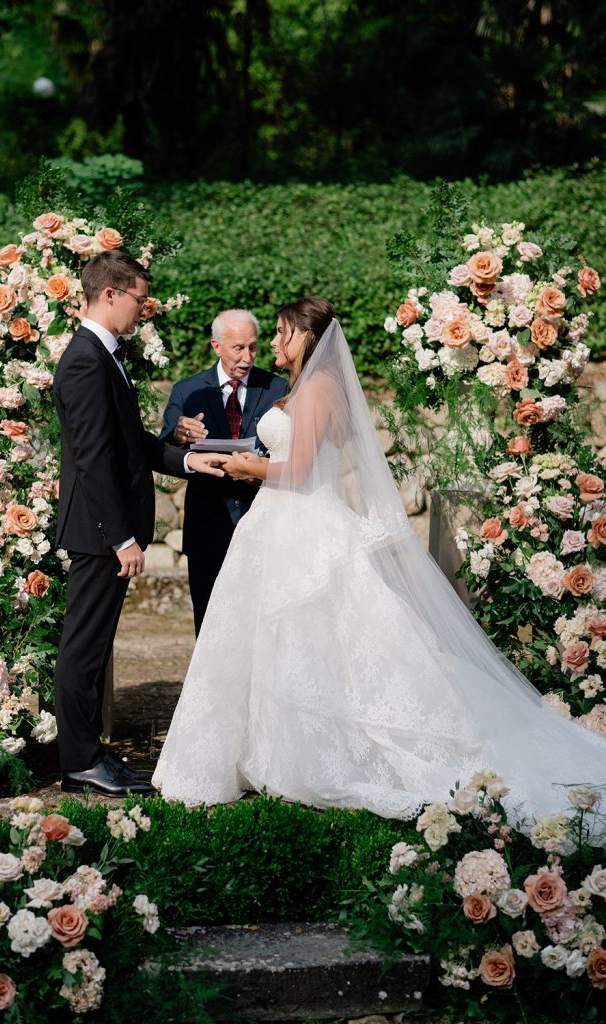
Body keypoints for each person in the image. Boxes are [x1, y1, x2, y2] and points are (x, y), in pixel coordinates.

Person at [153, 296, 606, 827]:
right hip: (277, 526)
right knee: (273, 641)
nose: (272, 343)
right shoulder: (303, 387)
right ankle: (264, 749)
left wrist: (249, 466)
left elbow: (298, 471)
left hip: (302, 524)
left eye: (280, 333)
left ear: (305, 337)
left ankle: (323, 751)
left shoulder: (318, 387)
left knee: (317, 640)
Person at [53, 250, 227, 797]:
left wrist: (185, 458)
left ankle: (90, 755)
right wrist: (122, 537)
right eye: (139, 299)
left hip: (103, 529)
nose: (143, 310)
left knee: (96, 644)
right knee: (83, 649)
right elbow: (94, 458)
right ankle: (79, 763)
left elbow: (130, 445)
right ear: (110, 294)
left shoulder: (105, 355)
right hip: (98, 532)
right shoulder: (85, 360)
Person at [160, 309, 287, 634]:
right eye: (238, 348)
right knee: (209, 621)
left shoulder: (277, 388)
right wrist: (177, 434)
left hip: (262, 520)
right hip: (208, 525)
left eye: (254, 348)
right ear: (216, 346)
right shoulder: (187, 391)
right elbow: (164, 452)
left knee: (263, 622)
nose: (247, 357)